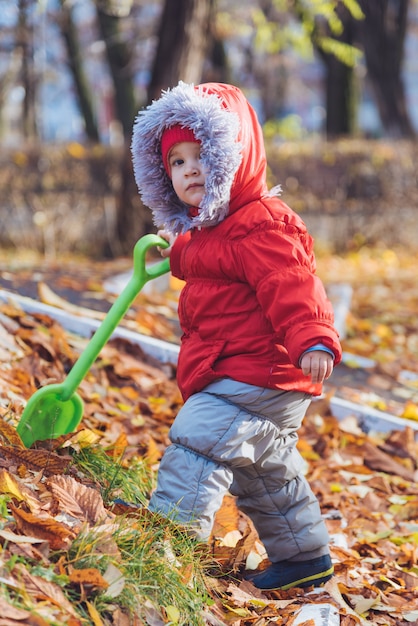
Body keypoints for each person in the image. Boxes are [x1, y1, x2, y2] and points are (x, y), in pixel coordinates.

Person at [131, 81, 342, 591]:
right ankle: (303, 557)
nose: (190, 170)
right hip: (250, 372)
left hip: (257, 370)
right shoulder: (215, 230)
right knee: (263, 468)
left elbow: (290, 281)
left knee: (197, 440)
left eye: (203, 154)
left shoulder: (264, 224)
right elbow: (213, 260)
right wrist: (177, 249)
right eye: (177, 162)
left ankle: (167, 550)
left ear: (236, 155)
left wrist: (312, 334)